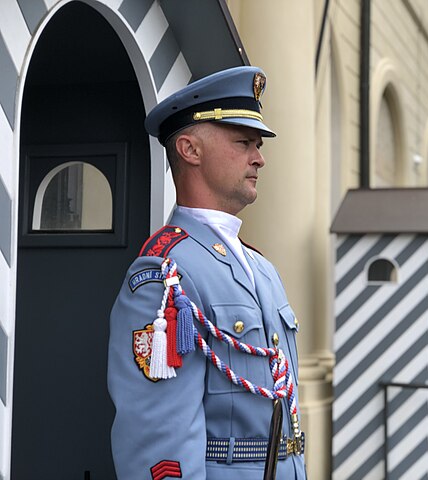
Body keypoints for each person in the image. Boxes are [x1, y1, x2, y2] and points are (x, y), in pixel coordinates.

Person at [107, 66, 306, 479]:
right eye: (243, 142)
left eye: (258, 144)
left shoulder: (260, 268)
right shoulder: (165, 274)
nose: (260, 157)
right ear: (189, 149)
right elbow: (157, 434)